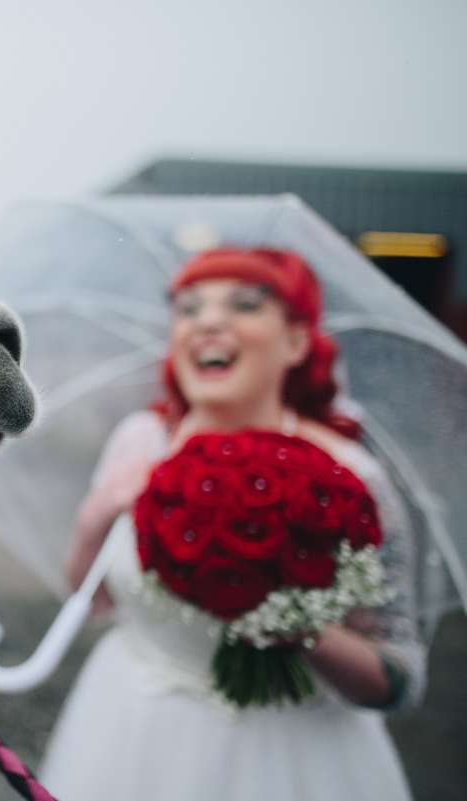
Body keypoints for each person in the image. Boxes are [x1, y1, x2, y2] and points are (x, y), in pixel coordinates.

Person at [39, 248, 425, 801]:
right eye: (189, 309)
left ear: (296, 341)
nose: (209, 322)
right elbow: (91, 597)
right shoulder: (140, 441)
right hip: (137, 728)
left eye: (245, 305)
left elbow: (397, 679)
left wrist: (294, 625)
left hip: (293, 756)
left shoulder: (352, 476)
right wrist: (95, 515)